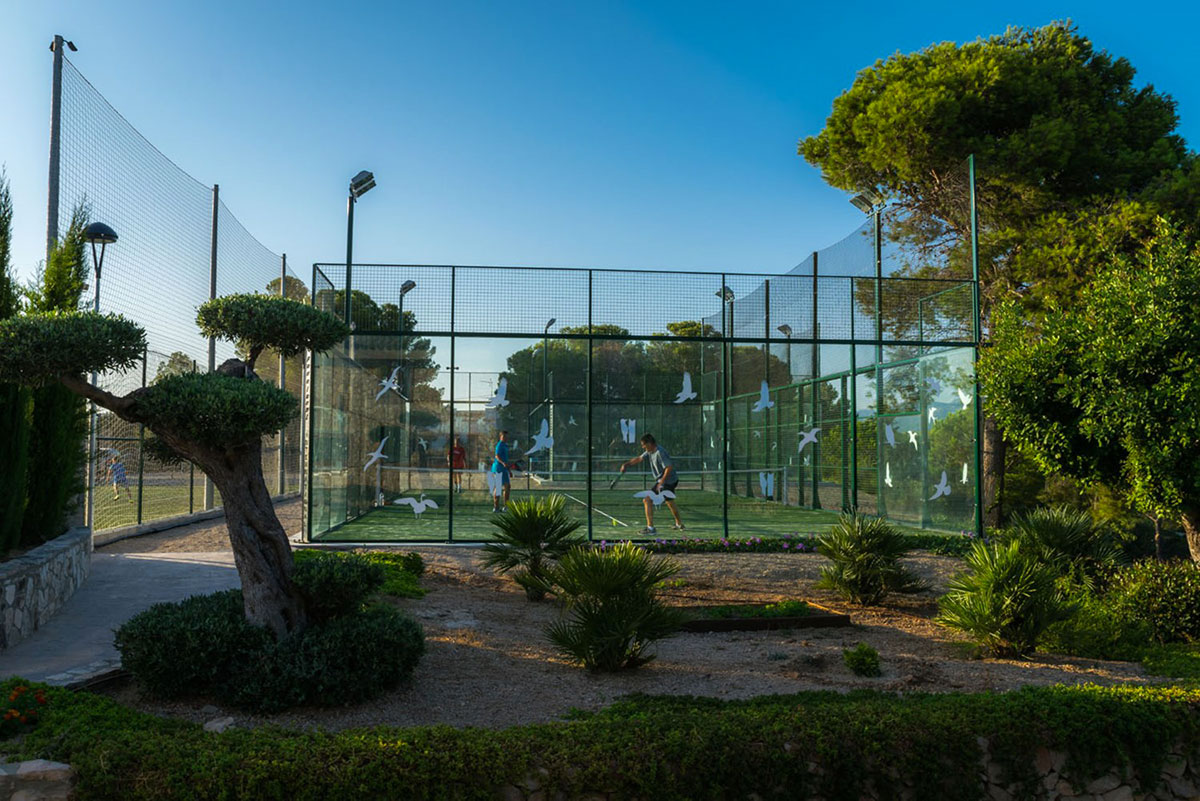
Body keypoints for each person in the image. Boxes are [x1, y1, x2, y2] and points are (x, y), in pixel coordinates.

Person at [619, 433, 684, 535]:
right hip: (667, 480)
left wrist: (662, 482)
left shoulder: (660, 452)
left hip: (668, 481)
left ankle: (651, 528)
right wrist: (626, 464)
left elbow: (669, 467)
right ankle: (679, 524)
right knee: (669, 502)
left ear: (649, 444)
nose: (643, 447)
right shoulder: (649, 452)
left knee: (647, 500)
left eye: (643, 445)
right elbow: (639, 459)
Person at [490, 430, 514, 512]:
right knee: (498, 487)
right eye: (504, 436)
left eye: (506, 436)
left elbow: (506, 459)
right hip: (498, 468)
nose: (505, 438)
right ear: (500, 437)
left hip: (504, 469)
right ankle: (496, 507)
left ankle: (505, 507)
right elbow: (497, 456)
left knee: (507, 486)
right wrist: (502, 463)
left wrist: (509, 470)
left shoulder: (505, 445)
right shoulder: (499, 445)